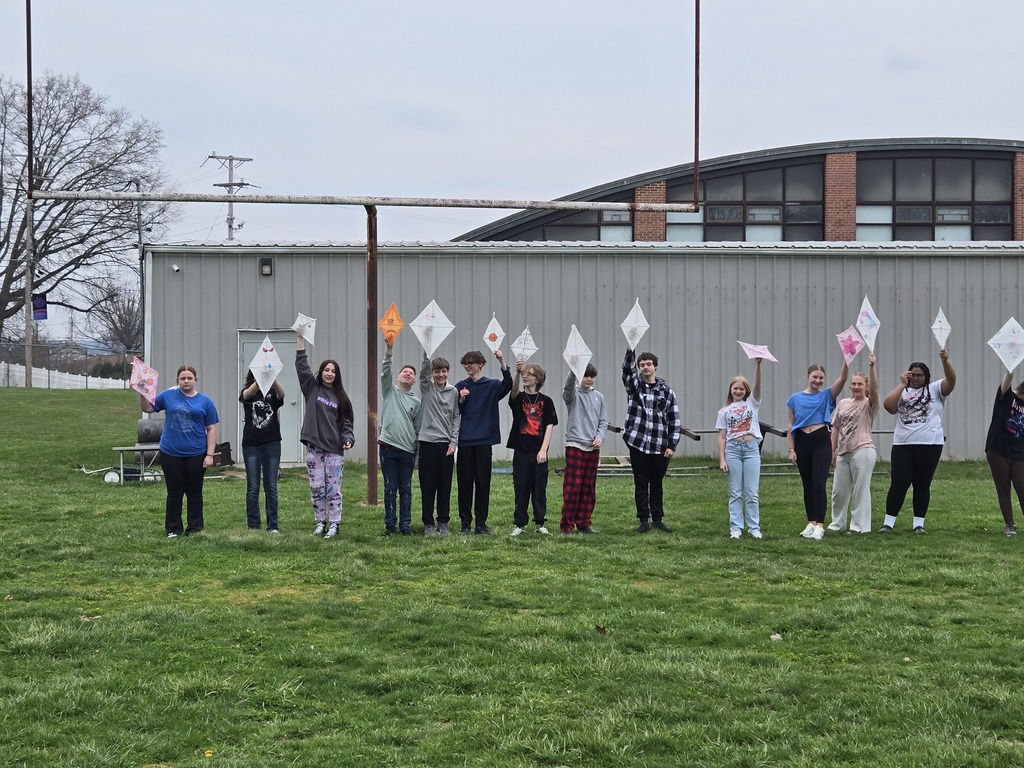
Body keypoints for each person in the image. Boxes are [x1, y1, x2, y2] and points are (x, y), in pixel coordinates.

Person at [881, 350, 956, 534]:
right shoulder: (902, 391)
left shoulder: (935, 389)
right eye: (912, 375)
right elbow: (888, 406)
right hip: (903, 444)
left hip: (930, 444)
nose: (915, 378)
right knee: (899, 482)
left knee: (922, 483)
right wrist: (901, 385)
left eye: (919, 375)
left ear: (926, 376)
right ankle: (888, 523)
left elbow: (951, 381)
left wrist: (945, 361)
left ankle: (918, 524)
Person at [141, 365, 219, 538]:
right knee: (174, 492)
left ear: (195, 380)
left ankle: (195, 528)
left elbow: (211, 428)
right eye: (182, 378)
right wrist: (142, 392)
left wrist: (210, 455)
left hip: (197, 453)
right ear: (177, 380)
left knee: (194, 491)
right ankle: (173, 529)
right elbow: (147, 408)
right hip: (171, 453)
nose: (186, 381)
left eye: (189, 378)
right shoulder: (168, 396)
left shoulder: (205, 401)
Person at [296, 334, 355, 539]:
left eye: (333, 371)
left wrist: (348, 439)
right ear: (321, 372)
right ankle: (321, 522)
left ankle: (335, 524)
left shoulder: (342, 398)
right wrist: (300, 339)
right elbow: (302, 368)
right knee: (316, 487)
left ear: (337, 375)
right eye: (326, 370)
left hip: (334, 449)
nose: (329, 374)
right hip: (314, 447)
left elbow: (347, 423)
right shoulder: (312, 389)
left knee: (333, 488)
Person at [787, 359, 849, 540]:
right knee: (807, 484)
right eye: (815, 377)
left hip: (821, 441)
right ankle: (811, 522)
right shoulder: (794, 399)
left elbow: (842, 380)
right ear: (808, 376)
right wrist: (791, 449)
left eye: (821, 378)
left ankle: (820, 525)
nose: (818, 381)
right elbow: (791, 425)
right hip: (801, 442)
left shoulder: (826, 395)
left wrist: (846, 362)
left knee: (818, 483)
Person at [622, 347, 681, 533]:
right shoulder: (635, 387)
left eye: (649, 364)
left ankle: (658, 519)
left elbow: (674, 419)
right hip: (638, 443)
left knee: (657, 484)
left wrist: (672, 445)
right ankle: (643, 520)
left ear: (655, 366)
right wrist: (630, 350)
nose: (645, 367)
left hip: (659, 445)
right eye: (642, 365)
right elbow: (626, 373)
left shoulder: (667, 391)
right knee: (641, 483)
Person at [455, 348, 512, 535]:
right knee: (464, 484)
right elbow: (455, 412)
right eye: (465, 363)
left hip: (484, 440)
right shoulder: (460, 386)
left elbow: (509, 384)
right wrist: (461, 399)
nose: (468, 366)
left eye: (471, 362)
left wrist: (502, 361)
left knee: (483, 483)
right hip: (465, 441)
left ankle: (481, 524)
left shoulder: (493, 386)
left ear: (481, 364)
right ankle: (465, 523)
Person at [828, 354, 879, 534]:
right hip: (843, 452)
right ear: (850, 386)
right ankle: (837, 524)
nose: (856, 387)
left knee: (860, 490)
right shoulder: (842, 403)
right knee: (838, 492)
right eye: (854, 384)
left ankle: (859, 527)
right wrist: (832, 451)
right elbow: (835, 428)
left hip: (863, 450)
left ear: (865, 386)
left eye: (860, 384)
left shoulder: (868, 403)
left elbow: (875, 391)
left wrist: (872, 367)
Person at [507, 361, 558, 536]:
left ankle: (540, 522)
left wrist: (544, 450)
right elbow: (513, 392)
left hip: (539, 451)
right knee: (520, 488)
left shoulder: (547, 401)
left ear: (538, 378)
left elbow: (550, 425)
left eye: (529, 374)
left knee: (539, 488)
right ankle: (519, 524)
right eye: (524, 374)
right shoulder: (519, 398)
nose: (525, 377)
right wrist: (516, 373)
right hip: (521, 451)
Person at [378, 338, 422, 536]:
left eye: (411, 374)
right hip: (388, 447)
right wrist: (389, 349)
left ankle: (405, 525)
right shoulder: (389, 392)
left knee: (405, 489)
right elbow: (385, 371)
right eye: (405, 372)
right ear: (397, 377)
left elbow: (418, 427)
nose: (408, 374)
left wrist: (417, 454)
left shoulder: (416, 402)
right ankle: (390, 525)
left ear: (414, 381)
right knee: (389, 488)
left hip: (407, 451)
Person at [716, 358, 763, 539]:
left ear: (746, 391)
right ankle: (736, 527)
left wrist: (758, 365)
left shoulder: (752, 403)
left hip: (751, 449)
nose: (738, 391)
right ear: (730, 390)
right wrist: (722, 459)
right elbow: (721, 436)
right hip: (733, 450)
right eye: (735, 388)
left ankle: (754, 528)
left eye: (741, 388)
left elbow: (758, 385)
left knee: (751, 491)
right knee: (735, 491)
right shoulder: (724, 411)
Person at [559, 363, 608, 535]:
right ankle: (566, 525)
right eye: (585, 375)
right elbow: (568, 387)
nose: (588, 379)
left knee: (588, 487)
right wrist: (574, 368)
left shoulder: (599, 397)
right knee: (573, 487)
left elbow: (603, 421)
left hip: (592, 448)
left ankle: (584, 523)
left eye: (591, 376)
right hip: (575, 445)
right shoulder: (572, 396)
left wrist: (600, 437)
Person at [418, 353, 461, 537]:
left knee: (445, 486)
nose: (440, 375)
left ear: (448, 372)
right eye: (437, 371)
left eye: (443, 371)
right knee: (427, 486)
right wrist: (427, 350)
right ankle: (428, 523)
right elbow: (423, 373)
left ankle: (443, 522)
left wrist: (453, 442)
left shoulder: (454, 392)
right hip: (427, 442)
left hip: (446, 446)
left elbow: (455, 417)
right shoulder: (427, 387)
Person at [239, 372, 284, 532]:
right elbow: (247, 394)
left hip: (272, 443)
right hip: (251, 445)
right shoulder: (247, 392)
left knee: (271, 485)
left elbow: (282, 395)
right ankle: (254, 525)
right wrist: (260, 379)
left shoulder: (272, 392)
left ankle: (273, 525)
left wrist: (273, 378)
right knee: (253, 486)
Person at [984, 368, 1024, 537]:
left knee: (1022, 486)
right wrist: (1010, 370)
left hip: (1019, 450)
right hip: (998, 448)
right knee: (1003, 487)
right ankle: (1009, 524)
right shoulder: (1007, 397)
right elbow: (1006, 383)